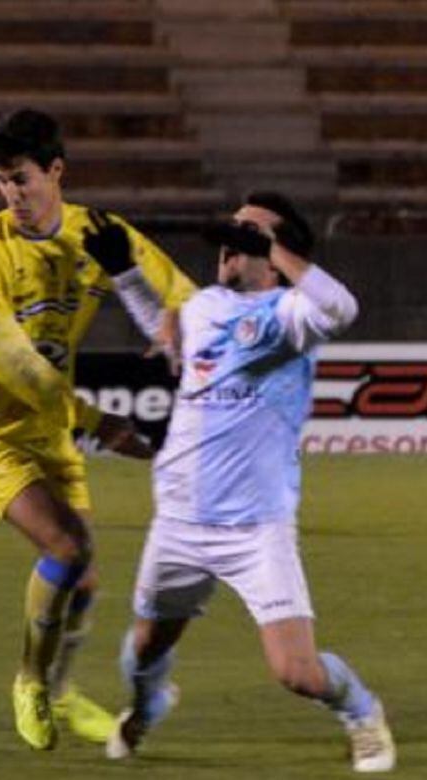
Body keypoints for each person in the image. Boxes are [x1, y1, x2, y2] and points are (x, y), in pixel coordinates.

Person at [0, 108, 196, 751]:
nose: (12, 195)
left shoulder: (96, 233)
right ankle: (30, 681)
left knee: (83, 581)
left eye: (21, 179)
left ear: (56, 171)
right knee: (67, 546)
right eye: (1, 182)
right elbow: (18, 365)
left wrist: (178, 326)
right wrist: (101, 423)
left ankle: (60, 686)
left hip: (50, 431)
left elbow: (179, 293)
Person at [105, 192, 396, 774]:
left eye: (248, 235)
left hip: (255, 528)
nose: (230, 244)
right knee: (144, 651)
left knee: (296, 672)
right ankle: (150, 703)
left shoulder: (290, 316)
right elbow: (165, 335)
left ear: (277, 250)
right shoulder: (205, 305)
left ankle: (363, 712)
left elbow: (342, 308)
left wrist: (277, 253)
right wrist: (125, 273)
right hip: (180, 521)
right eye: (232, 231)